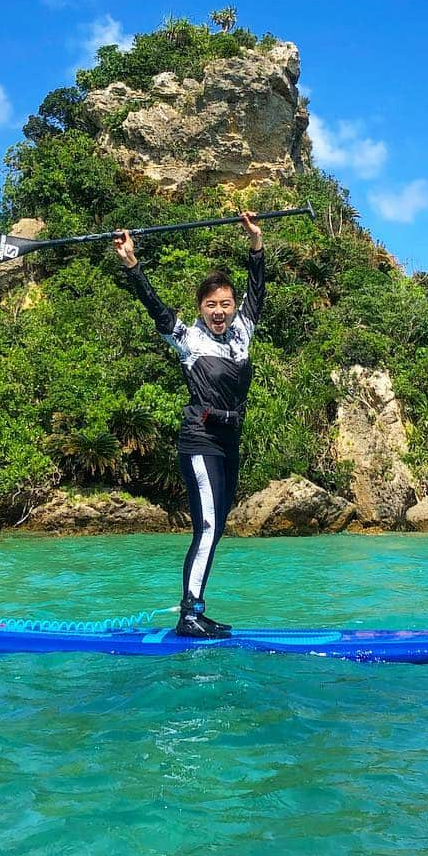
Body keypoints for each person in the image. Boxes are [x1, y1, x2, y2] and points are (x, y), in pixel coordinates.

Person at [113, 212, 265, 638]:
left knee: (215, 530)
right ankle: (189, 614)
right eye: (211, 304)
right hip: (199, 440)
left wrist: (255, 243)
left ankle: (198, 608)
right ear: (200, 308)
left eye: (226, 304)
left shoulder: (243, 331)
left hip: (230, 443)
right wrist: (132, 265)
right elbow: (155, 308)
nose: (219, 311)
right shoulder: (187, 338)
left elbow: (258, 289)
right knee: (208, 526)